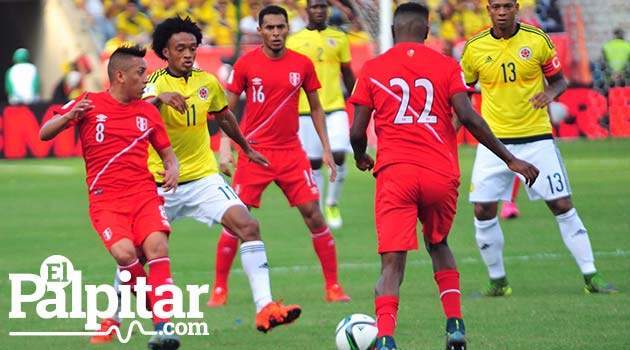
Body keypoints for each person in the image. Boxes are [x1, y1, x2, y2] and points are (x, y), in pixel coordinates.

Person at [89, 17, 302, 343]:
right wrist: (161, 99)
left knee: (248, 226)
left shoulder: (207, 82)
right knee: (134, 254)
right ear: (165, 52)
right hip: (158, 184)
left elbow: (224, 116)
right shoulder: (150, 83)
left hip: (202, 177)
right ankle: (112, 318)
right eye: (180, 49)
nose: (188, 54)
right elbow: (133, 107)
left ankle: (265, 307)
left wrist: (245, 148)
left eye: (192, 48)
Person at [348, 4, 539, 349]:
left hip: (396, 175)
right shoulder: (447, 66)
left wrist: (362, 157)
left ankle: (387, 340)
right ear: (426, 31)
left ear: (393, 31)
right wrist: (510, 159)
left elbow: (357, 131)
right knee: (438, 244)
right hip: (440, 173)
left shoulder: (373, 68)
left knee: (392, 264)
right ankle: (454, 324)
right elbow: (468, 116)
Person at [460, 0, 618, 296]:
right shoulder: (474, 48)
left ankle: (591, 275)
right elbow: (463, 95)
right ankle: (498, 281)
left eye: (508, 5)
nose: (503, 11)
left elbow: (560, 81)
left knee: (561, 204)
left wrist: (549, 94)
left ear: (517, 7)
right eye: (496, 6)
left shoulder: (537, 40)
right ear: (488, 10)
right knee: (482, 209)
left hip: (537, 138)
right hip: (494, 143)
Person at [39, 46, 182, 350]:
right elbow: (44, 133)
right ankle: (156, 308)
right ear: (120, 76)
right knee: (125, 256)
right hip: (105, 201)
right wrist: (68, 118)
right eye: (140, 73)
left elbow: (168, 155)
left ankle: (164, 327)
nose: (146, 79)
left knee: (157, 247)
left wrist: (172, 169)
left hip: (143, 194)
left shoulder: (147, 111)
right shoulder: (89, 103)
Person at [209, 4, 351, 307]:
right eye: (269, 28)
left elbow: (315, 107)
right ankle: (219, 289)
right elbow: (226, 110)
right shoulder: (246, 64)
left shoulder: (302, 64)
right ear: (259, 31)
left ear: (288, 29)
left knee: (314, 215)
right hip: (254, 154)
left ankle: (333, 286)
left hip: (291, 153)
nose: (275, 33)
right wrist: (225, 148)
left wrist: (326, 148)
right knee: (235, 219)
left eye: (280, 27)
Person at [285, 0, 356, 230]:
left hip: (335, 106)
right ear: (307, 11)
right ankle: (317, 207)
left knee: (339, 154)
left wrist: (356, 99)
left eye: (321, 7)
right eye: (314, 7)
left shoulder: (340, 38)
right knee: (314, 162)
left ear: (327, 10)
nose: (318, 10)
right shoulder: (294, 41)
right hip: (305, 110)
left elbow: (347, 73)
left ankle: (332, 203)